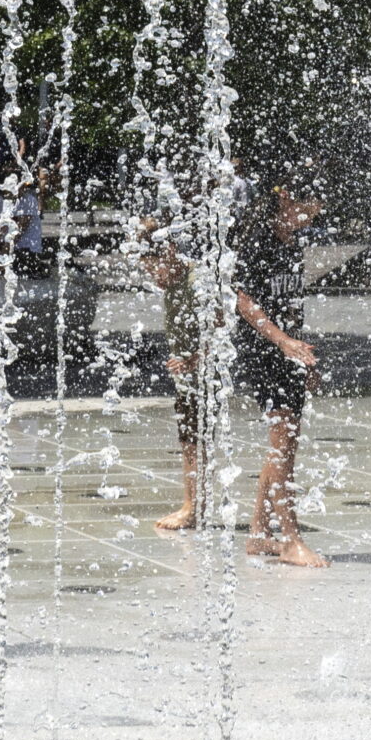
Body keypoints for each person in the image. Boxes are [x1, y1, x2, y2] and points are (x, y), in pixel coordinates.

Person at [231, 173, 326, 567]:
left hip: (286, 350)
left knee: (285, 441)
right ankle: (290, 540)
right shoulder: (259, 240)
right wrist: (283, 342)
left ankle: (258, 533)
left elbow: (290, 303)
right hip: (264, 350)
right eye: (308, 204)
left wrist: (300, 351)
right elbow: (242, 298)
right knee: (283, 443)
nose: (314, 213)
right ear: (285, 199)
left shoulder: (293, 241)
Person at [138, 221, 205, 534]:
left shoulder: (195, 280)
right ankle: (193, 504)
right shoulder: (177, 282)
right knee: (189, 438)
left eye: (156, 269)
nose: (155, 278)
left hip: (205, 376)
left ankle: (192, 508)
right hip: (189, 378)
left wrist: (194, 359)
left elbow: (221, 326)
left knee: (194, 438)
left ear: (170, 251)